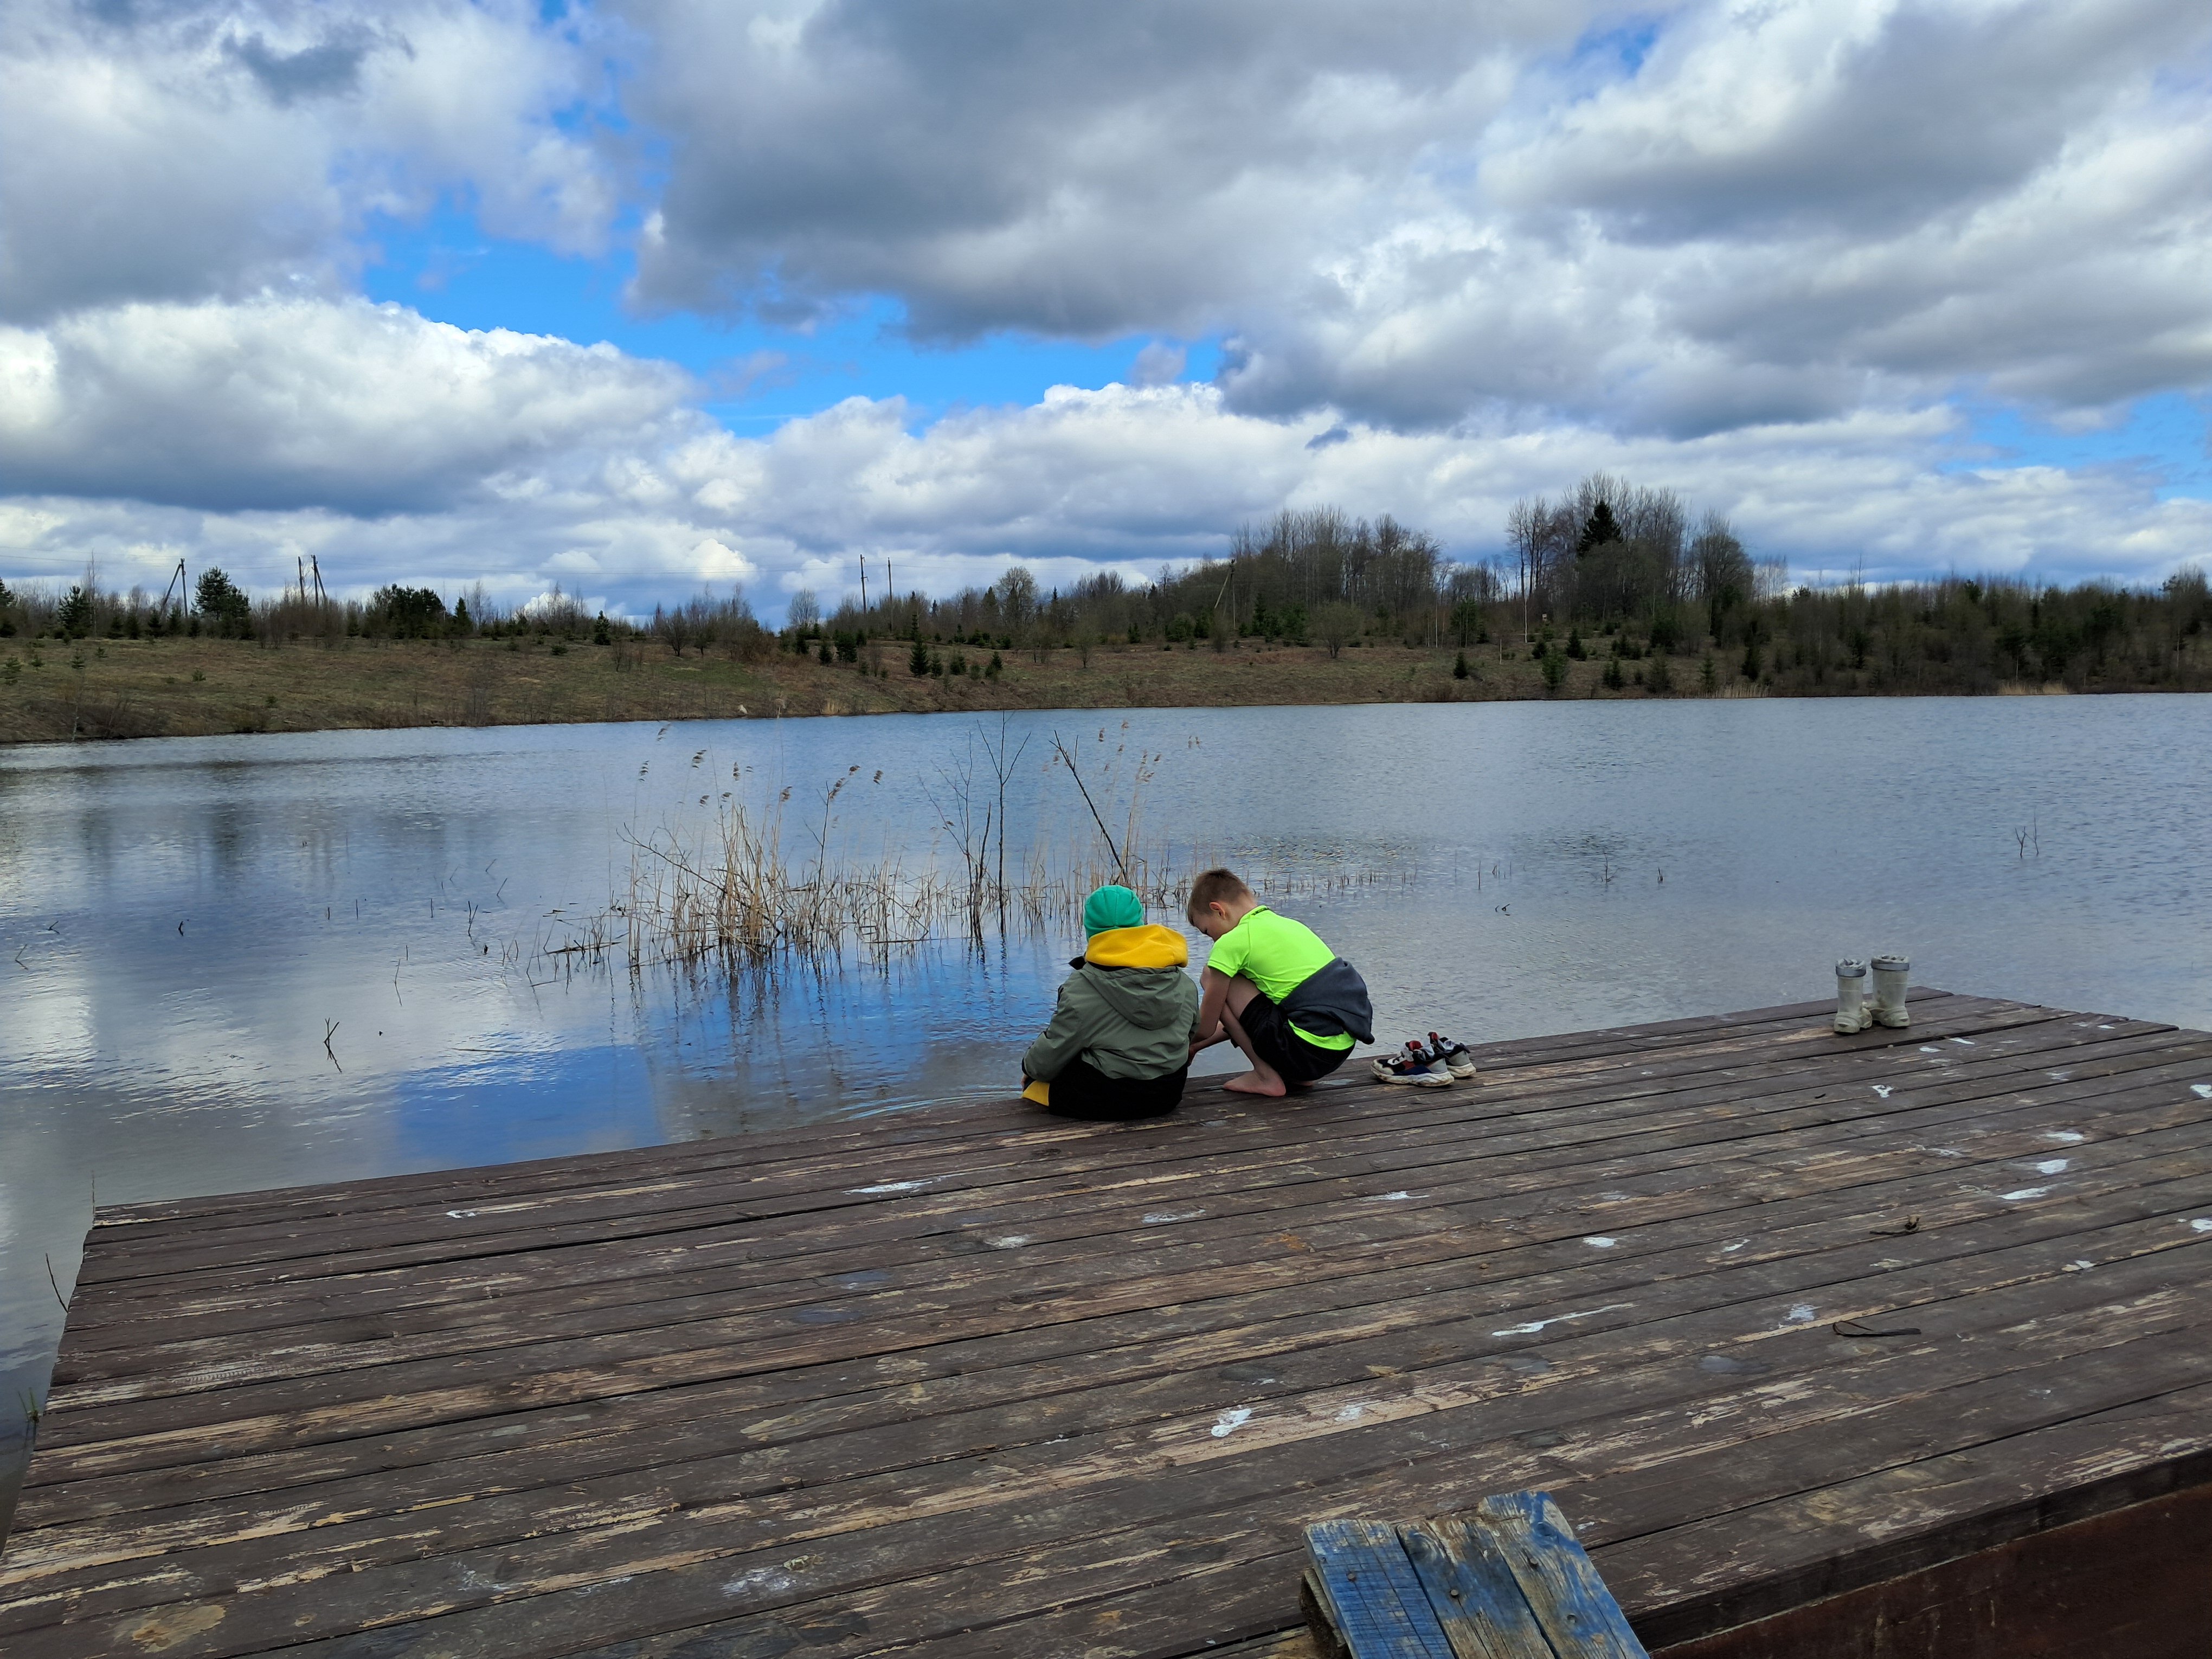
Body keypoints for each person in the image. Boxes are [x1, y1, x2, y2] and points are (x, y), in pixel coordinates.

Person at [1186, 867, 1373, 1096]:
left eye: (1207, 931)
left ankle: (1266, 1077)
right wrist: (1196, 1046)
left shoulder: (1232, 942)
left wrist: (1179, 1045)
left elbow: (1205, 1028)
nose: (1213, 940)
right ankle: (1297, 1076)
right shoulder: (1289, 926)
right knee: (1267, 990)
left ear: (1218, 911)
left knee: (1211, 974)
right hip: (1334, 1053)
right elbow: (1243, 1016)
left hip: (1304, 1049)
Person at [1021, 884, 1201, 1120]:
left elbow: (1050, 1055)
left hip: (1107, 1098)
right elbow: (1191, 1034)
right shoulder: (1183, 982)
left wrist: (1029, 1068)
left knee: (1034, 1083)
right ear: (1140, 925)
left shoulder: (1081, 989)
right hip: (1168, 1094)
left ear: (1090, 932)